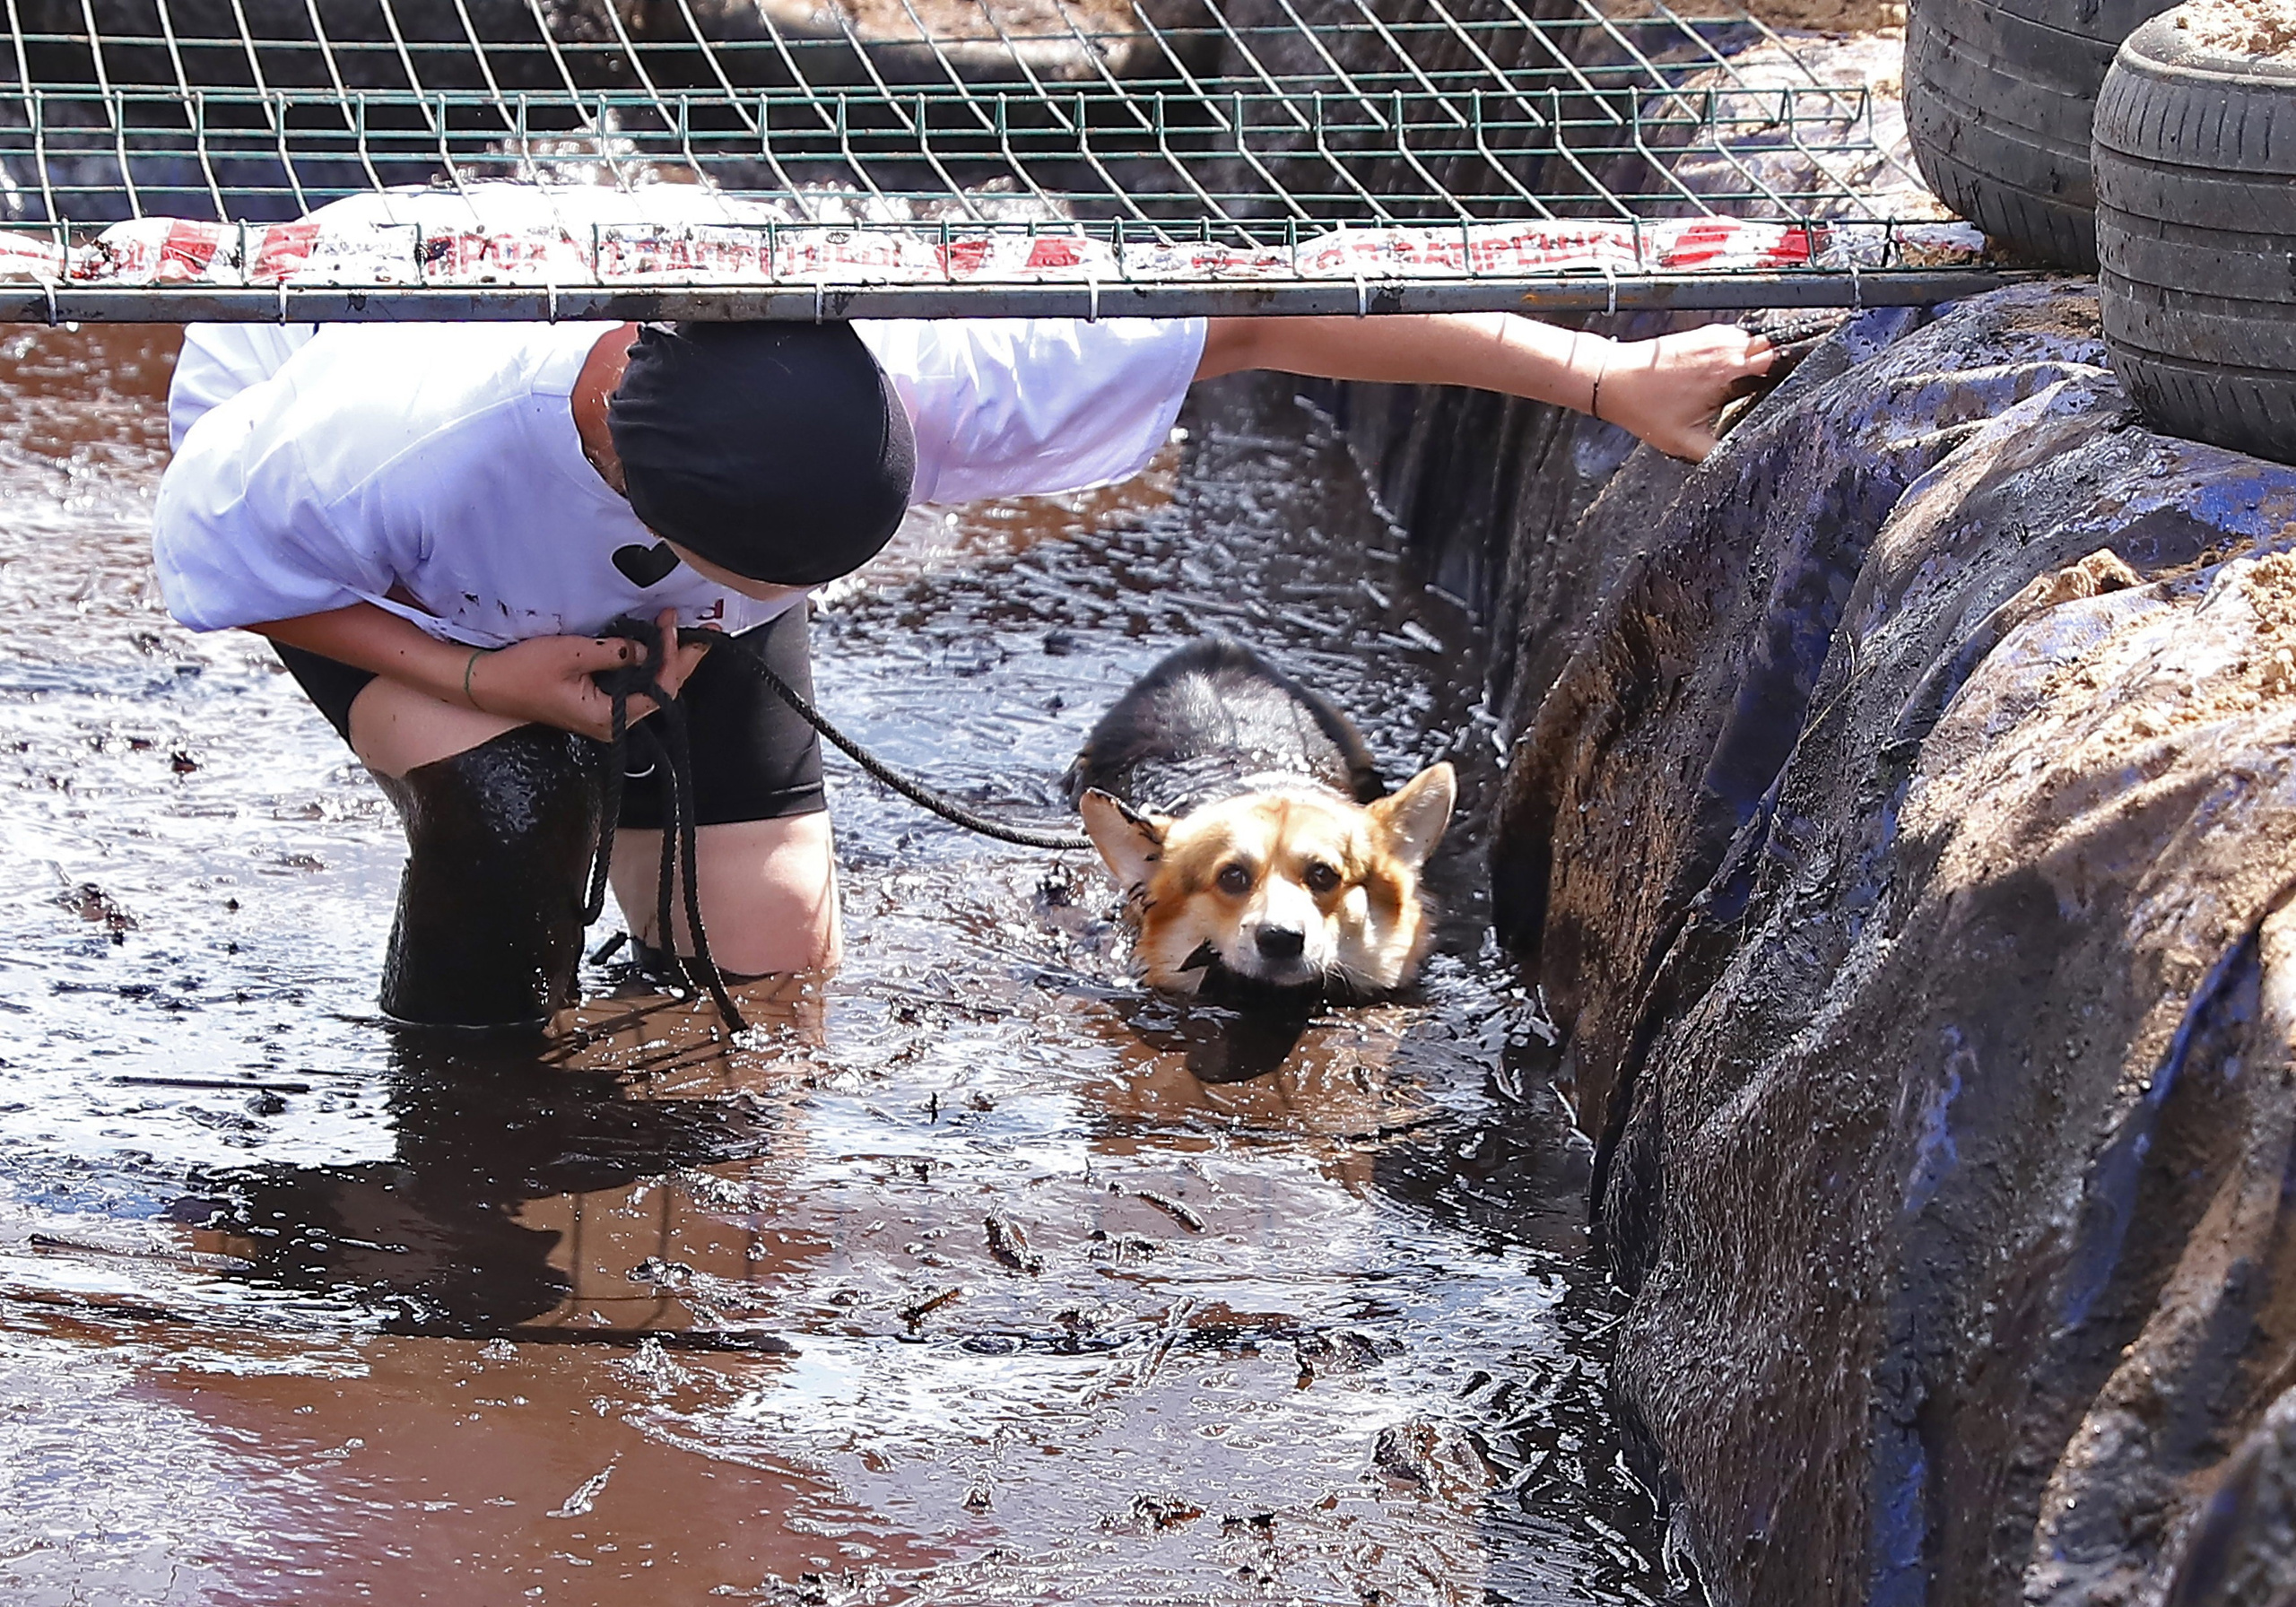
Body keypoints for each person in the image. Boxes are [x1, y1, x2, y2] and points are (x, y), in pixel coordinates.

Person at [155, 291, 1769, 1028]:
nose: (755, 605)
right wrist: (498, 682)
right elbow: (235, 578)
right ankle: (466, 1135)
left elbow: (1255, 318)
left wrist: (1605, 373)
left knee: (770, 958)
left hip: (693, 522)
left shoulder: (933, 369)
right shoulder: (370, 453)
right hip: (381, 583)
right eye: (746, 579)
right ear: (625, 484)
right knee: (515, 819)